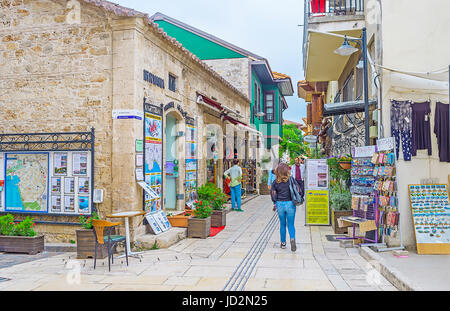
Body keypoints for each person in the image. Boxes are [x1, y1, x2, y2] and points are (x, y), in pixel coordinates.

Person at [271, 163, 301, 252]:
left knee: (282, 224)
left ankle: (283, 243)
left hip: (280, 204)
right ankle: (292, 239)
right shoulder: (291, 179)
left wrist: (274, 202)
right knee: (291, 224)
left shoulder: (275, 182)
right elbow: (298, 189)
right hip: (290, 204)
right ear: (286, 170)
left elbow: (273, 194)